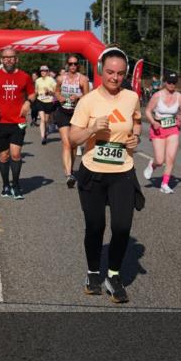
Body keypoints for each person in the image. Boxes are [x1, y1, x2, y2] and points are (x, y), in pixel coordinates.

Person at [68, 47, 143, 303]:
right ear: (101, 71)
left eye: (120, 73)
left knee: (122, 226)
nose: (115, 78)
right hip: (93, 172)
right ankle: (92, 273)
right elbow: (72, 137)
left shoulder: (131, 98)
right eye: (110, 72)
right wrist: (91, 129)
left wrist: (135, 139)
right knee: (96, 226)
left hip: (123, 171)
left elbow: (136, 123)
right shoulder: (87, 101)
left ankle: (113, 276)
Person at [0, 48, 36, 200]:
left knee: (15, 154)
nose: (8, 60)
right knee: (4, 156)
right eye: (5, 58)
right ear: (1, 60)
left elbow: (32, 94)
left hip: (18, 122)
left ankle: (16, 184)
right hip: (0, 121)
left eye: (11, 57)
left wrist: (27, 102)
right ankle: (6, 184)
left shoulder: (24, 77)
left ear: (16, 59)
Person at [143, 71, 181, 194]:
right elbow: (147, 111)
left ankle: (165, 183)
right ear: (165, 82)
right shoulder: (157, 95)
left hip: (173, 129)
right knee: (160, 160)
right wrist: (153, 122)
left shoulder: (180, 97)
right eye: (169, 82)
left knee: (170, 158)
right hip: (158, 129)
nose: (172, 85)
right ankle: (152, 165)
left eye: (174, 82)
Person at [54, 56, 90, 188]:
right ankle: (69, 174)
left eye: (75, 64)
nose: (73, 66)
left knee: (74, 145)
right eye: (70, 64)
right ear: (67, 65)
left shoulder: (83, 79)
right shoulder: (60, 78)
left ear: (78, 65)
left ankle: (71, 168)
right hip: (62, 112)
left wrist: (78, 97)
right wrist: (59, 97)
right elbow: (56, 91)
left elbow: (87, 96)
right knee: (67, 143)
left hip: (77, 114)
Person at [34, 65, 58, 144]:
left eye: (44, 71)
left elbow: (55, 92)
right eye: (41, 71)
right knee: (42, 119)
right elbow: (36, 91)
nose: (43, 72)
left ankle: (45, 132)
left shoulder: (51, 80)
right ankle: (42, 137)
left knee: (46, 120)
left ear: (47, 71)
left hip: (49, 102)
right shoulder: (38, 80)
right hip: (40, 101)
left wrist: (49, 92)